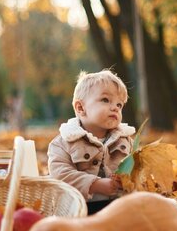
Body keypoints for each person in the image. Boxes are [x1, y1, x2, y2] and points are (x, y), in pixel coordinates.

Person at [47, 69, 135, 214]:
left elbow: (136, 171)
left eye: (119, 105)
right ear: (81, 108)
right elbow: (60, 174)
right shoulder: (64, 142)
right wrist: (95, 185)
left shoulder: (125, 141)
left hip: (118, 207)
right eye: (105, 100)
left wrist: (126, 181)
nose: (115, 108)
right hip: (80, 209)